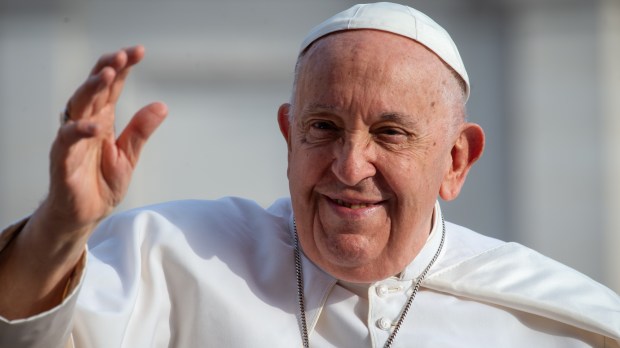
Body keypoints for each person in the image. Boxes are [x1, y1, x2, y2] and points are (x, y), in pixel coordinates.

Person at [0, 2, 618, 347]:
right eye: (322, 128)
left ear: (456, 160)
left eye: (390, 133)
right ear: (288, 136)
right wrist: (59, 226)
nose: (350, 167)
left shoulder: (559, 324)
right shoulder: (173, 254)